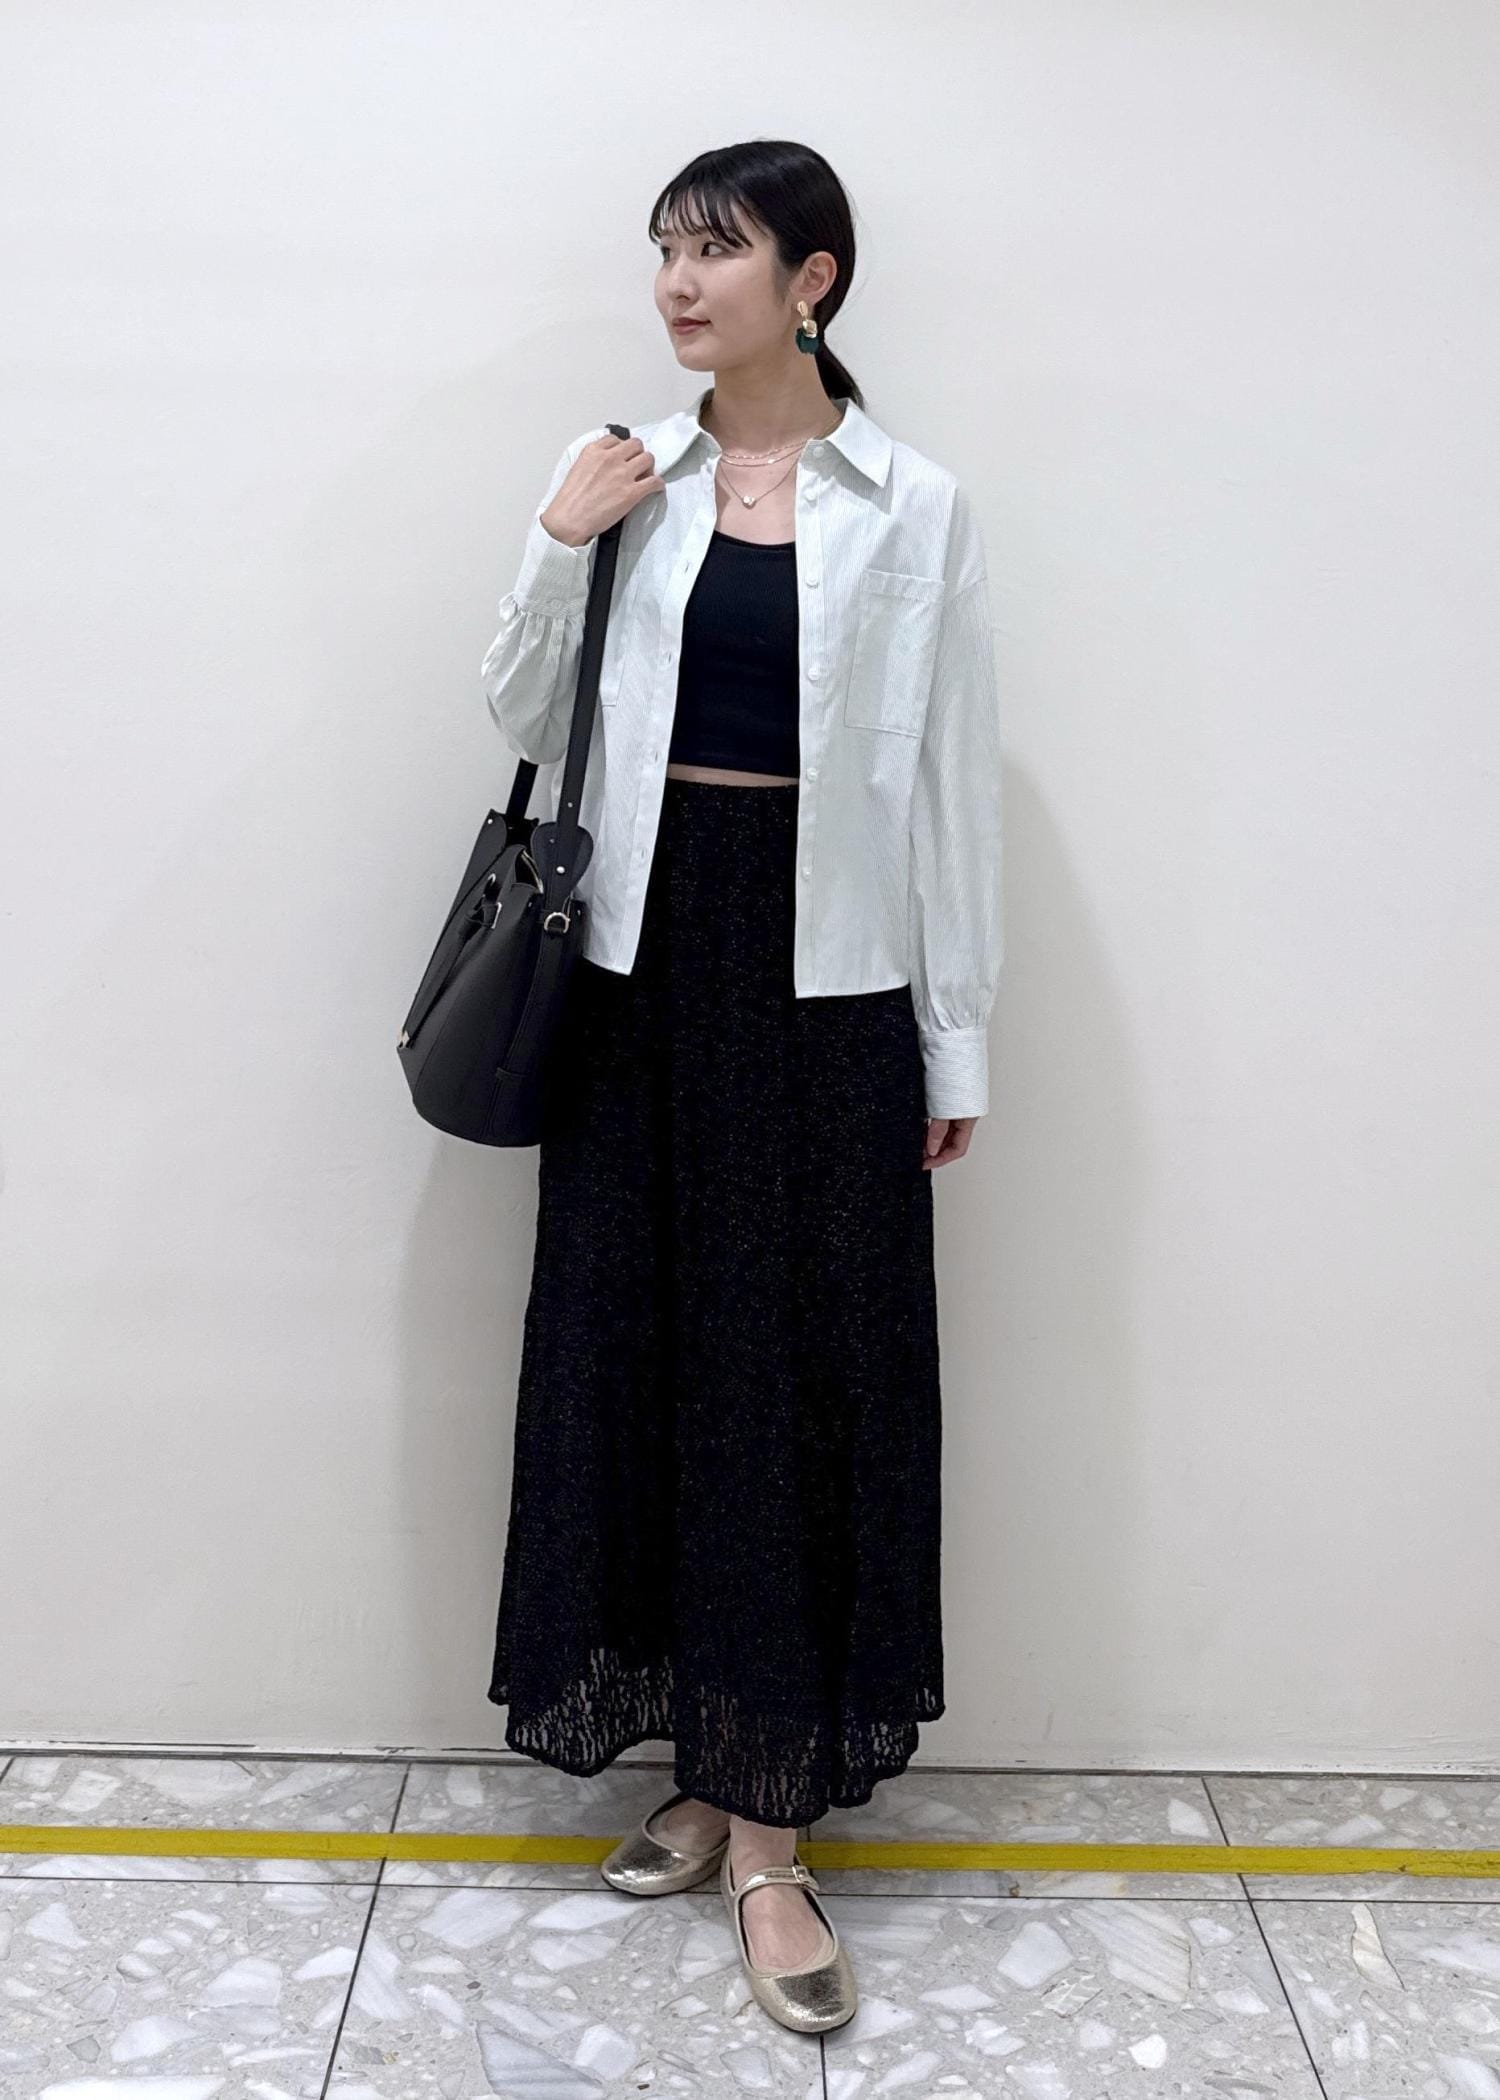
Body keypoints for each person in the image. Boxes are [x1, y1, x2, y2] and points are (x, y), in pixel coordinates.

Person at [478, 139, 1003, 2036]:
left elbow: (947, 785)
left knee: (799, 1373)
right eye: (665, 251)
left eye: (717, 251)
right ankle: (707, 1767)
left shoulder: (914, 505)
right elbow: (520, 716)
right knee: (642, 1352)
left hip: (828, 978)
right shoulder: (629, 471)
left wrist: (956, 1033)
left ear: (814, 279)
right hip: (639, 965)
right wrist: (559, 542)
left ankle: (771, 1834)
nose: (679, 284)